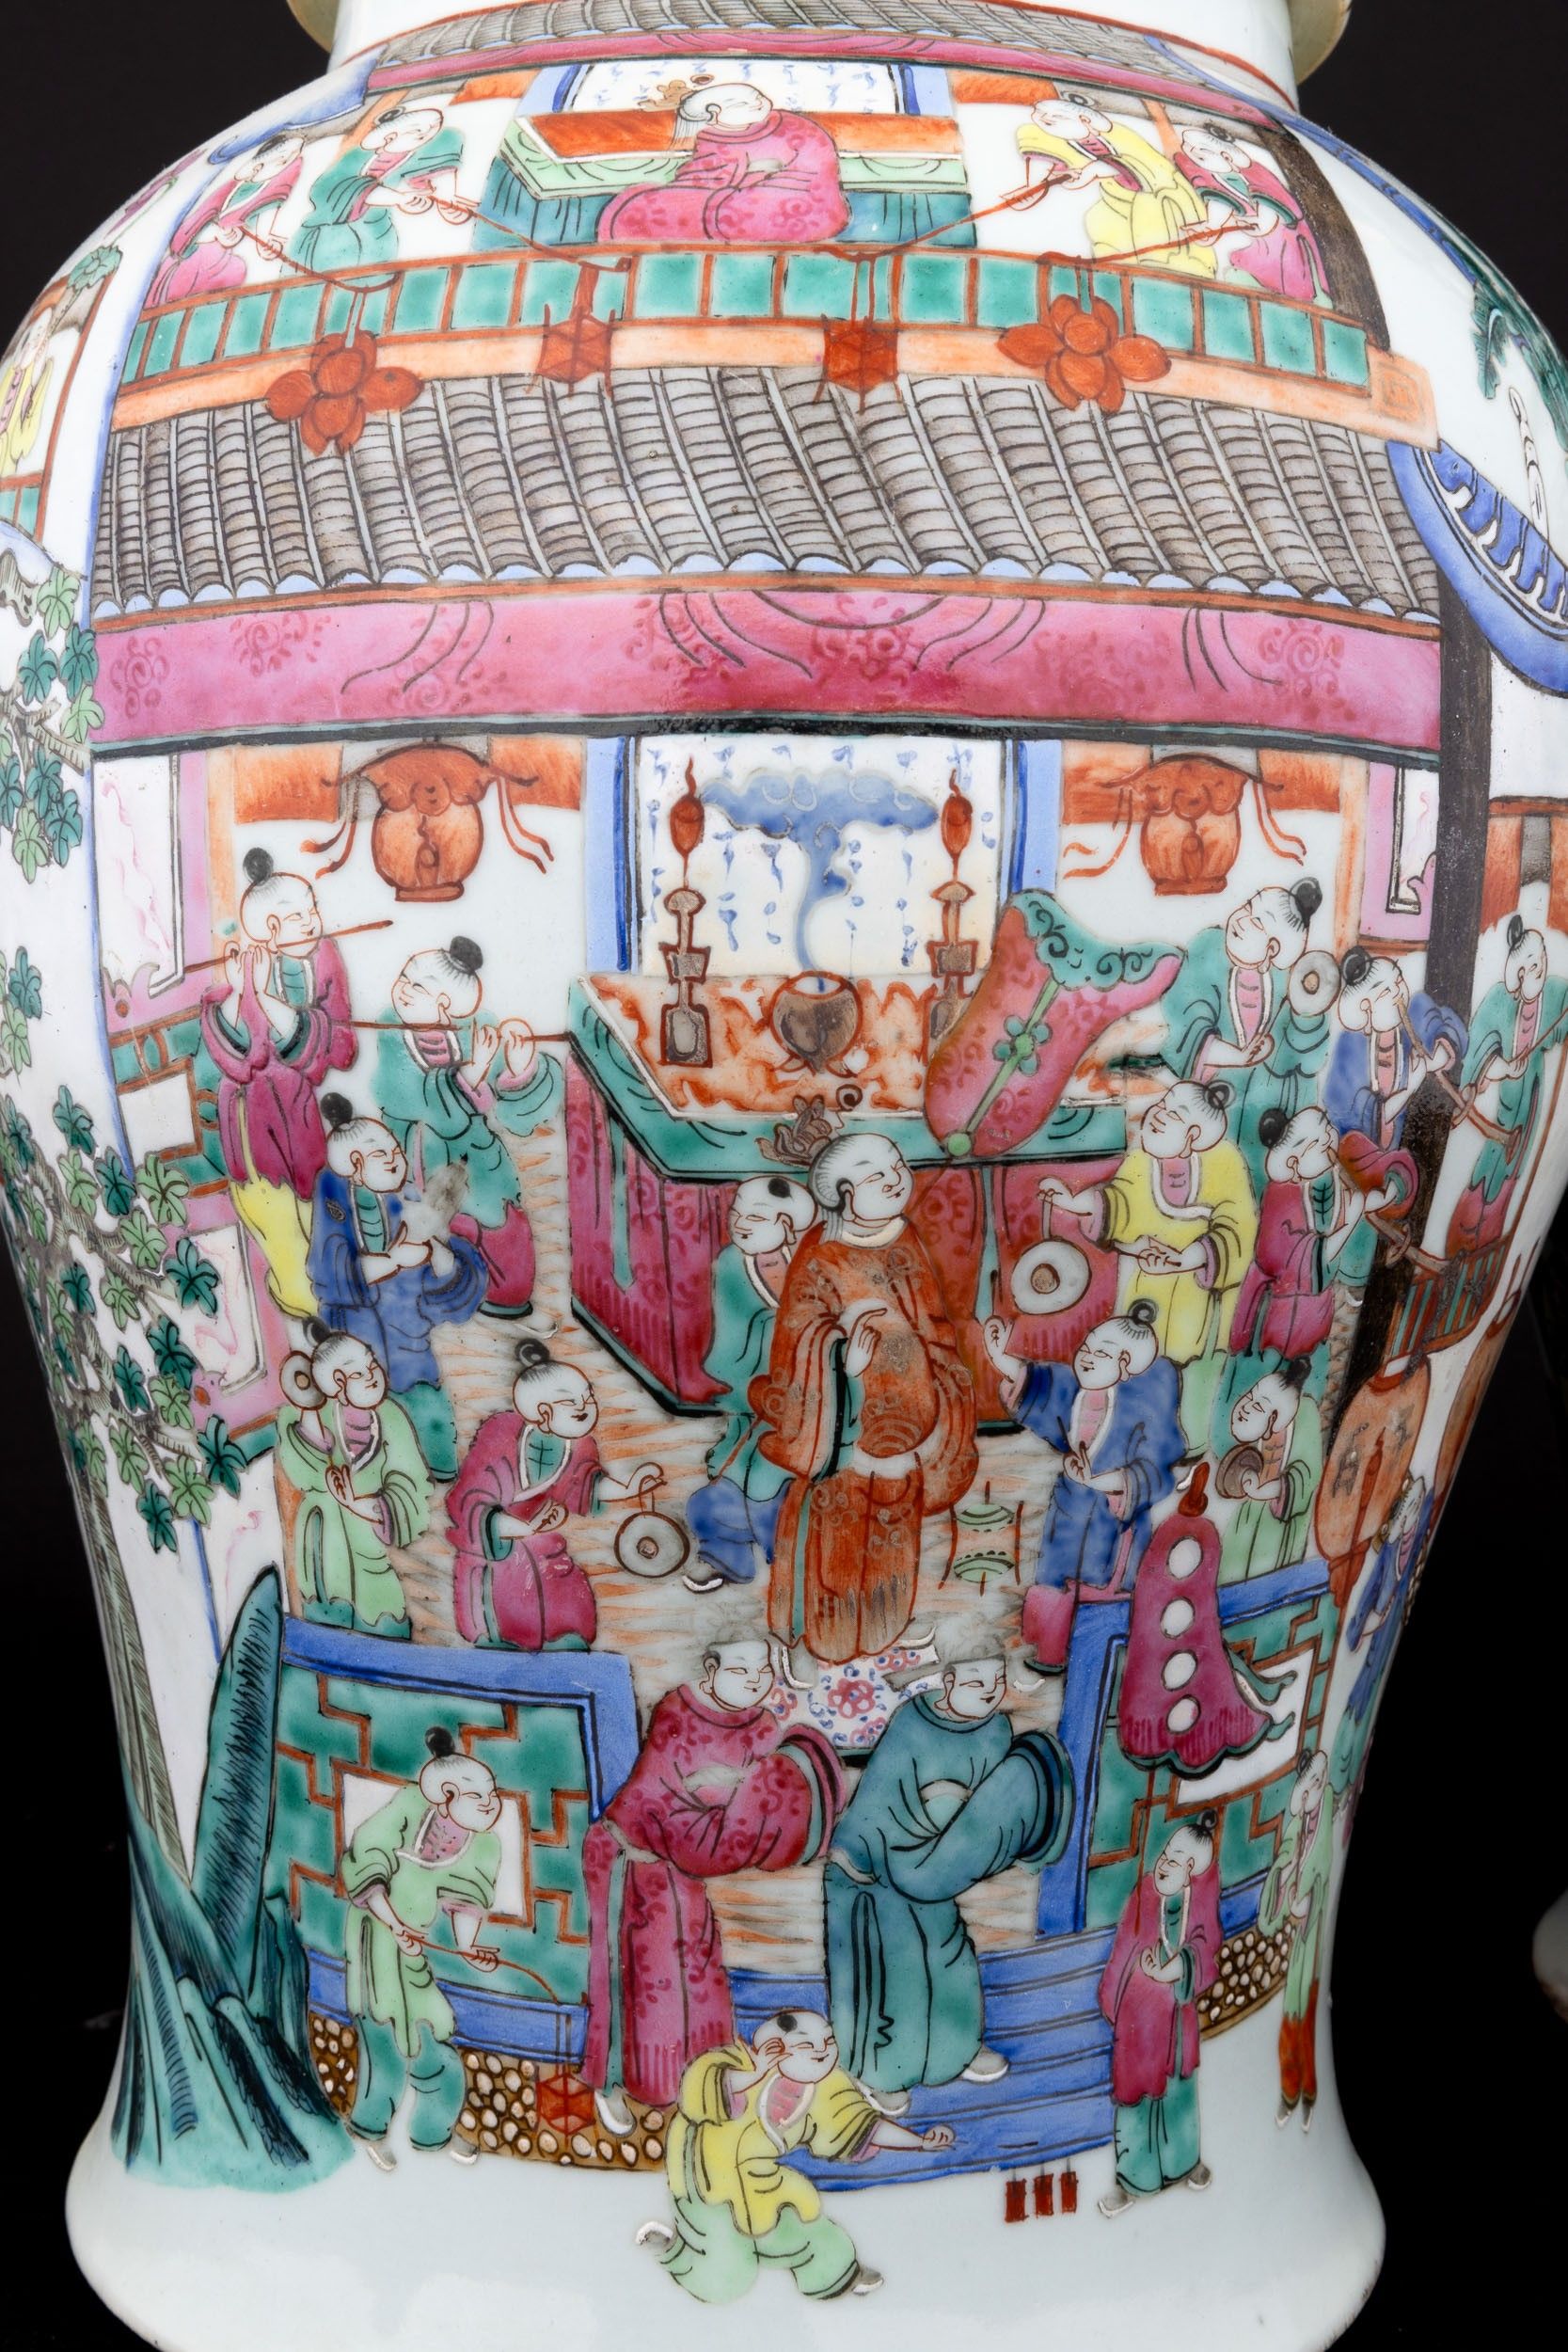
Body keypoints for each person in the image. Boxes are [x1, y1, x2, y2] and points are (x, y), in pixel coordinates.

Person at [581, 1625, 844, 2137]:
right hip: (632, 1859)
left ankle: (702, 2082)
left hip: (684, 1866)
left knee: (698, 1971)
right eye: (740, 1670)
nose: (754, 1681)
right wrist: (738, 1806)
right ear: (711, 1670)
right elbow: (671, 1810)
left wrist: (756, 1803)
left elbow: (760, 1803)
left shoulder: (763, 1725)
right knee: (637, 1979)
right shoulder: (676, 1716)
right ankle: (613, 2082)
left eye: (763, 1670)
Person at [752, 1133, 977, 1677]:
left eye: (898, 1165)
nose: (898, 1179)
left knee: (895, 1529)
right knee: (839, 1539)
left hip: (912, 1415)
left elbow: (930, 1316)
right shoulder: (820, 1253)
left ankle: (884, 1626)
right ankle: (818, 1640)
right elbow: (798, 1334)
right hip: (843, 1424)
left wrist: (939, 1374)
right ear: (847, 1193)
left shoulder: (906, 1237)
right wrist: (842, 1360)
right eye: (880, 1175)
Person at [826, 1623, 1071, 2111]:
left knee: (949, 1956)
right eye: (976, 1681)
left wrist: (976, 1843)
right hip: (875, 1867)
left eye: (997, 1680)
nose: (990, 1692)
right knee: (893, 1970)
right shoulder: (911, 1725)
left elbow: (992, 1812)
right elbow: (878, 1800)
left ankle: (956, 2051)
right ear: (949, 1681)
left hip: (937, 1866)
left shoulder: (997, 1730)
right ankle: (884, 2070)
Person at [639, 2010, 953, 2304]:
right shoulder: (733, 2062)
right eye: (807, 2045)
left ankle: (838, 2276)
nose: (822, 2052)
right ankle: (673, 2251)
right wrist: (755, 2074)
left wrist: (920, 2143)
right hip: (704, 2183)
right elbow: (696, 2093)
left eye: (828, 2041)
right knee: (727, 2275)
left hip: (764, 2183)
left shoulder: (825, 2086)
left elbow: (860, 2125)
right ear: (775, 2047)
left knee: (808, 2228)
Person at [1042, 1077, 1257, 1450]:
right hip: (1142, 1284)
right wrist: (1076, 1203)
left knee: (1191, 1371)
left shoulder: (1226, 1161)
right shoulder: (1142, 1158)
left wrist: (1187, 1258)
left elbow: (1238, 1228)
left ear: (1193, 1134)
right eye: (1163, 1104)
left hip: (1197, 1297)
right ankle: (1134, 1444)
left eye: (1174, 1113)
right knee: (1136, 1364)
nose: (1158, 1114)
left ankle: (1187, 1446)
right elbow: (1119, 1202)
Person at [985, 1300, 1184, 1668]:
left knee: (1095, 1594)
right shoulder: (1074, 1391)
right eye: (1087, 1348)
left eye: (1101, 1354)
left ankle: (1090, 1663)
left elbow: (1156, 1469)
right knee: (1053, 1580)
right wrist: (1001, 1359)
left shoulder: (1143, 1414)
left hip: (1111, 1521)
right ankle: (1045, 1654)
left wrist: (1107, 1481)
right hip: (1070, 1507)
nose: (1087, 1358)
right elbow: (1040, 1386)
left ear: (1124, 1366)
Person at [199, 848, 356, 1317]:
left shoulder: (324, 957)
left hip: (301, 1113)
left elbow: (338, 1046)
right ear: (270, 929)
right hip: (250, 1119)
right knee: (270, 1208)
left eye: (313, 910)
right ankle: (301, 1298)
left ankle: (332, 1289)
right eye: (299, 917)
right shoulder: (245, 967)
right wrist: (245, 991)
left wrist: (267, 1000)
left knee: (317, 1203)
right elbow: (238, 1060)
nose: (314, 921)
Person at [341, 1727, 501, 2169]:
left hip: (414, 1952)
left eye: (492, 1794)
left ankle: (433, 2133)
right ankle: (369, 2128)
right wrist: (394, 1924)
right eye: (479, 1796)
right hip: (375, 1941)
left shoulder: (484, 1844)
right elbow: (367, 1858)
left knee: (435, 2044)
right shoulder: (410, 1807)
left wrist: (469, 1948)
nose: (491, 1804)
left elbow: (467, 1899)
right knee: (385, 2045)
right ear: (447, 1796)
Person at [308, 1095, 486, 1479]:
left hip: (412, 1347)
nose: (394, 1160)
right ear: (356, 1165)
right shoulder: (335, 1200)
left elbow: (442, 1282)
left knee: (429, 1419)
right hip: (361, 1350)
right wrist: (393, 1261)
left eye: (394, 1152)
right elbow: (331, 1275)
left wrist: (441, 1260)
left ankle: (439, 1476)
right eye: (382, 1156)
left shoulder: (406, 1201)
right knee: (372, 1437)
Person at [377, 938, 555, 1317]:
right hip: (420, 1158)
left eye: (417, 986)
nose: (403, 989)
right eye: (404, 978)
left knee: (500, 1221)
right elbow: (402, 1097)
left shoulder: (478, 1029)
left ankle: (505, 1299)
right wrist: (468, 1077)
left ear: (443, 1003)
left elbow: (517, 1114)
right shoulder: (391, 1035)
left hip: (479, 1157)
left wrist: (519, 1069)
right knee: (431, 1232)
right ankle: (443, 1298)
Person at [446, 1340, 646, 1652]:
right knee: (512, 1600)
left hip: (545, 1545)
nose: (586, 1408)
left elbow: (585, 1485)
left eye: (589, 1398)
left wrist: (628, 1488)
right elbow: (472, 1502)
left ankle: (565, 1643)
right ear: (543, 1412)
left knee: (567, 1600)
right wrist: (521, 1527)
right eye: (572, 1404)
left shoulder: (577, 1444)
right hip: (496, 1549)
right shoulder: (500, 1435)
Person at [685, 1175, 816, 1592]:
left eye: (756, 1218)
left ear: (787, 1226)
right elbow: (730, 1333)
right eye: (737, 1213)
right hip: (752, 1388)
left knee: (769, 1481)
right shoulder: (731, 1264)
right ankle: (728, 1556)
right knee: (729, 1471)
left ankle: (791, 1563)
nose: (740, 1224)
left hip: (809, 1399)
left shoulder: (814, 1264)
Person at [1155, 880, 1329, 1193]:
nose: (1242, 919)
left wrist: (1307, 1012)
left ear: (1272, 949)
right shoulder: (1208, 949)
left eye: (1258, 922)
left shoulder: (1290, 979)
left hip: (1264, 1117)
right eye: (1248, 907)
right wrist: (1235, 1057)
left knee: (1255, 1186)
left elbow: (1307, 1056)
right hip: (1207, 1107)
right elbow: (1185, 1017)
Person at [1098, 1811, 1221, 2214]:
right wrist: (1114, 1998)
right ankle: (1134, 2178)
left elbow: (1206, 1949)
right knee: (1136, 2095)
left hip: (1177, 2025)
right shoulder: (1145, 1896)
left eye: (1177, 1860)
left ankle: (1183, 2164)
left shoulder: (1197, 1905)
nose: (1165, 1863)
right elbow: (1123, 1947)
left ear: (1192, 1870)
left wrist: (1175, 1970)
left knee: (1177, 2091)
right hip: (1139, 2021)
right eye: (1166, 1854)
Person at [275, 1324, 431, 1638]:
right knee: (325, 1610)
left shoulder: (392, 1418)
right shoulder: (307, 1417)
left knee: (384, 1617)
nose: (372, 1375)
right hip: (322, 1544)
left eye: (372, 1365)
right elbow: (306, 1475)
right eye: (358, 1373)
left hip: (370, 1544)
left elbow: (412, 1485)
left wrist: (360, 1506)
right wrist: (309, 1411)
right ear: (337, 1383)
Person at [599, 83, 850, 246]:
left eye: (758, 96)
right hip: (805, 205)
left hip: (798, 202)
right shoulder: (721, 136)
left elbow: (707, 181)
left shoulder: (787, 125)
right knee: (663, 203)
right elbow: (706, 178)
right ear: (714, 114)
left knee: (668, 207)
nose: (759, 103)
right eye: (744, 103)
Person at [1446, 916, 1567, 1255]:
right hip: (1504, 1100)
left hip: (1533, 1093)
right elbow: (1478, 1051)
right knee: (1491, 1163)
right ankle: (1463, 1236)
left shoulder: (1553, 993)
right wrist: (1503, 1068)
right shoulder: (1499, 1000)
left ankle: (1489, 1242)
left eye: (1541, 960)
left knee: (1517, 1162)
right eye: (1531, 966)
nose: (1539, 970)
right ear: (1518, 973)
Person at [1015, 93, 1213, 275]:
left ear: (1085, 120)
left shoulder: (1121, 135)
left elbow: (1152, 169)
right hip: (1115, 200)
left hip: (1159, 196)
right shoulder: (1063, 138)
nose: (1044, 123)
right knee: (1098, 221)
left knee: (1147, 219)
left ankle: (1155, 268)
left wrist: (1097, 170)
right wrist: (1043, 182)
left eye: (1053, 120)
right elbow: (1044, 150)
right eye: (1039, 118)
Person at [1331, 1473, 1430, 1822]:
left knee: (1358, 1706)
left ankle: (1341, 1792)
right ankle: (1337, 1782)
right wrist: (1366, 1624)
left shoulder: (1412, 1538)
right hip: (1369, 1651)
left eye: (1416, 1506)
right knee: (1354, 1705)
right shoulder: (1387, 1555)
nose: (1412, 1514)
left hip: (1379, 1647)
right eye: (1407, 1510)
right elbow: (1361, 1614)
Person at [289, 103, 466, 274]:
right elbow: (328, 190)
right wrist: (398, 198)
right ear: (390, 137)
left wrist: (447, 204)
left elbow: (435, 176)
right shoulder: (354, 159)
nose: (427, 134)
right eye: (418, 131)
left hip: (379, 233)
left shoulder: (422, 153)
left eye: (433, 128)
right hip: (332, 235)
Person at [1257, 1748, 1336, 2130]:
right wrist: (1284, 1878)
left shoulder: (1325, 1818)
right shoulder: (1298, 1827)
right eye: (1308, 1786)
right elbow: (1286, 1861)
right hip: (1299, 1941)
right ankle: (1291, 2093)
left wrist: (1310, 1900)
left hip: (1311, 1940)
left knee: (1306, 2014)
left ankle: (1307, 2092)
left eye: (1319, 1780)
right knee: (1293, 2015)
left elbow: (1323, 1865)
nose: (1316, 1788)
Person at [1325, 947, 1466, 1153]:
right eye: (1385, 992)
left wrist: (1440, 1055)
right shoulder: (1349, 1047)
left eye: (1399, 981)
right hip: (1367, 1155)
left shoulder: (1415, 1010)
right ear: (1366, 1007)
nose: (1397, 993)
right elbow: (1348, 1111)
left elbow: (1447, 1021)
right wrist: (1410, 1087)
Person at [1176, 123, 1328, 304]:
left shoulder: (1257, 174)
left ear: (1226, 157)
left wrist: (1251, 223)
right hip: (1259, 242)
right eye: (1190, 154)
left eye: (1201, 157)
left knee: (1288, 272)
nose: (1196, 161)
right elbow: (1221, 202)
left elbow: (1267, 215)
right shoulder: (1215, 174)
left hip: (1285, 238)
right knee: (1244, 265)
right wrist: (1211, 227)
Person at [149, 134, 306, 306]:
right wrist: (216, 232)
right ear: (258, 165)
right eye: (282, 159)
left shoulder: (270, 191)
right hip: (198, 255)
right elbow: (194, 224)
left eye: (294, 156)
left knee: (235, 271)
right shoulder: (229, 189)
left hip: (223, 260)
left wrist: (267, 246)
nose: (289, 162)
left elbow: (265, 226)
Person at [1219, 1356, 1322, 1579]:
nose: (1245, 1407)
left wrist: (1273, 1490)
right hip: (1247, 1519)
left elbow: (1309, 1474)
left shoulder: (1304, 1413)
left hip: (1281, 1527)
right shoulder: (1257, 1428)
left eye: (1256, 1406)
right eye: (1249, 1397)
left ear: (1275, 1418)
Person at [0, 304, 57, 478]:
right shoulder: (11, 372)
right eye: (32, 337)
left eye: (39, 336)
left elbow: (22, 445)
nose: (33, 342)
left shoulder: (34, 379)